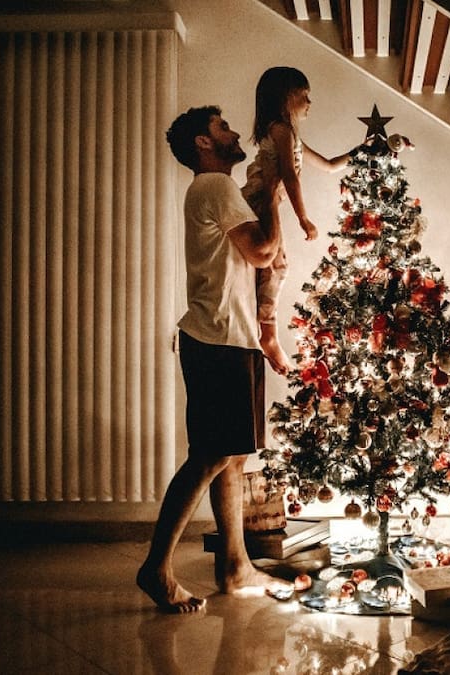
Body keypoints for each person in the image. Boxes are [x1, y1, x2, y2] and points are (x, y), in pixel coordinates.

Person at [137, 105, 289, 613]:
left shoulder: (216, 192)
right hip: (218, 337)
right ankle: (157, 568)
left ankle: (235, 565)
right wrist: (273, 191)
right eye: (221, 127)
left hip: (232, 337)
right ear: (203, 143)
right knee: (209, 453)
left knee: (230, 453)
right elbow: (264, 251)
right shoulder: (214, 187)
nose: (232, 133)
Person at [242, 66, 350, 375]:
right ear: (288, 97)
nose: (309, 103)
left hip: (265, 205)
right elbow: (288, 175)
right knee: (276, 266)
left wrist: (363, 150)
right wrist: (304, 219)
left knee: (272, 268)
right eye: (305, 96)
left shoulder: (290, 134)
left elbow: (329, 166)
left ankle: (265, 333)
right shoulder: (281, 130)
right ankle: (268, 337)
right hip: (258, 204)